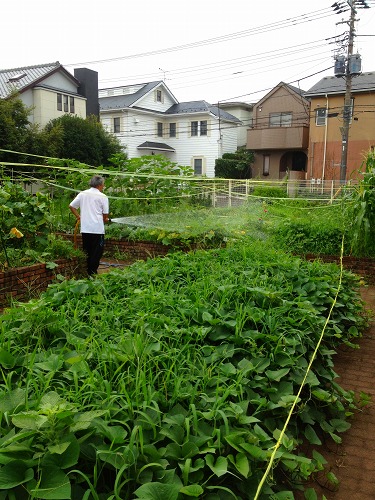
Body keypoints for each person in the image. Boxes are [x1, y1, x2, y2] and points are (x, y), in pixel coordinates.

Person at [69, 175, 110, 275]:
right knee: (97, 252)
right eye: (103, 184)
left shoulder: (83, 194)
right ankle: (92, 273)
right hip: (97, 229)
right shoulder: (103, 196)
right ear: (100, 185)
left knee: (87, 250)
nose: (103, 186)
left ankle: (87, 272)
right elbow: (105, 215)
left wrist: (78, 216)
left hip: (85, 229)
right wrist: (105, 220)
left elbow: (71, 206)